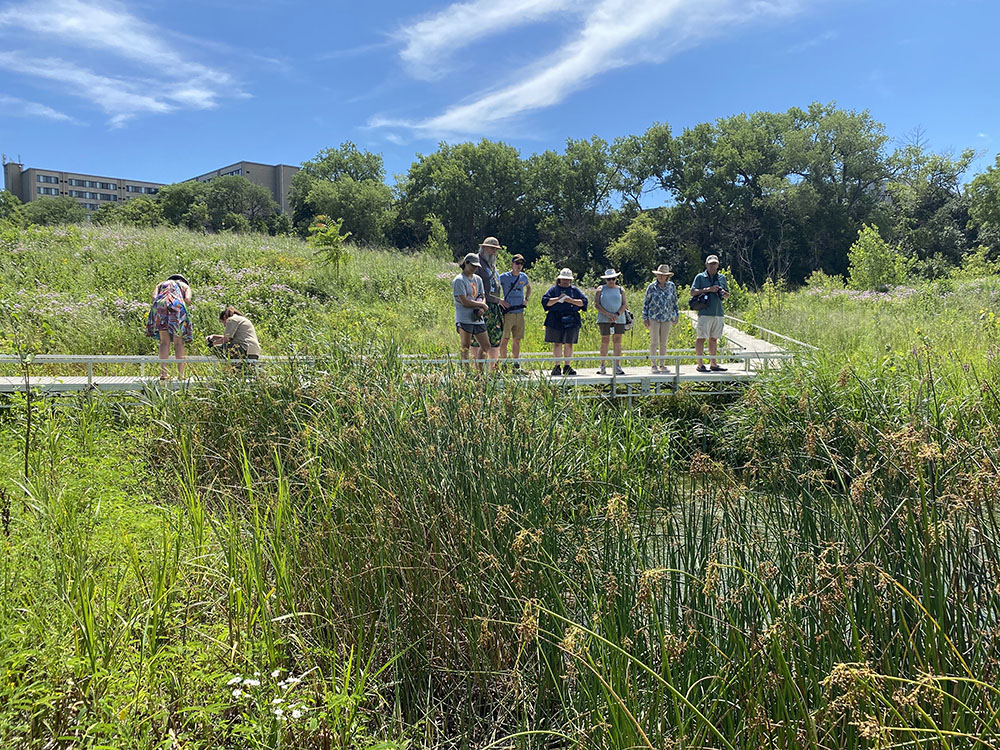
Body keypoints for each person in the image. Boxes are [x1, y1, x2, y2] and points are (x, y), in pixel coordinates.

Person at [146, 274, 193, 380]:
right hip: (177, 306)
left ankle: (163, 374)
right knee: (179, 342)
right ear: (182, 280)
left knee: (164, 342)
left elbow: (154, 298)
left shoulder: (161, 284)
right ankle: (181, 375)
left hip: (160, 306)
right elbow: (188, 299)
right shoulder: (184, 286)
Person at [541, 268, 587, 376]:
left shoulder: (575, 290)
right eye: (563, 279)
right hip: (555, 318)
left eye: (567, 279)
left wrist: (570, 300)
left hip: (571, 318)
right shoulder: (553, 290)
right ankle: (557, 366)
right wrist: (558, 299)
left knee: (569, 343)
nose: (565, 281)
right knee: (557, 343)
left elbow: (583, 302)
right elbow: (545, 302)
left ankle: (567, 366)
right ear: (559, 279)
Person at [690, 254, 730, 372]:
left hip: (718, 312)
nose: (713, 266)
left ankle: (713, 363)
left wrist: (723, 293)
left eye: (715, 264)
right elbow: (692, 292)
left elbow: (728, 295)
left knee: (714, 338)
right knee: (701, 337)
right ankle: (700, 364)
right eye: (711, 264)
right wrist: (708, 289)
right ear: (706, 265)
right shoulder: (700, 277)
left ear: (718, 265)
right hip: (705, 312)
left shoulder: (721, 278)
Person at [453, 252, 491, 369]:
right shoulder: (459, 280)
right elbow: (464, 301)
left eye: (476, 266)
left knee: (486, 345)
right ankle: (466, 372)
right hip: (464, 317)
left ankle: (479, 370)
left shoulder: (478, 279)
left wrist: (481, 307)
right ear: (466, 263)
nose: (474, 268)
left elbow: (482, 295)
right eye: (473, 265)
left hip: (477, 317)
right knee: (465, 345)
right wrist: (481, 305)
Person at [474, 236, 504, 368]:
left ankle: (492, 372)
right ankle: (476, 371)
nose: (494, 252)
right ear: (484, 247)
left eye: (496, 249)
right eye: (492, 248)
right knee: (477, 340)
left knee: (495, 339)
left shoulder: (491, 264)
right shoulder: (477, 262)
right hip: (481, 306)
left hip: (494, 307)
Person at [643, 264, 679, 373]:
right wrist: (645, 317)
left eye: (663, 275)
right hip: (653, 316)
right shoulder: (651, 286)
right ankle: (653, 364)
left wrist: (676, 315)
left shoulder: (671, 286)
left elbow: (674, 301)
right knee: (654, 341)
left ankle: (662, 364)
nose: (661, 277)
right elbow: (646, 302)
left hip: (667, 317)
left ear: (667, 276)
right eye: (659, 275)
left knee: (664, 341)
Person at [498, 254, 532, 373]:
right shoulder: (504, 277)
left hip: (519, 312)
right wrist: (500, 300)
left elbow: (528, 287)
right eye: (517, 263)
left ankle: (516, 364)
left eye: (521, 264)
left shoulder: (524, 277)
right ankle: (503, 363)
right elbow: (493, 287)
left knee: (517, 339)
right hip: (508, 312)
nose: (519, 266)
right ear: (512, 264)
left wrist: (526, 299)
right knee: (505, 339)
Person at [594, 269, 629, 376]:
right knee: (605, 341)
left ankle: (617, 365)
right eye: (609, 279)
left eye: (613, 279)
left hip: (619, 319)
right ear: (605, 280)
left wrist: (617, 314)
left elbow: (624, 304)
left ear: (616, 279)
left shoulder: (620, 290)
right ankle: (602, 365)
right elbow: (596, 304)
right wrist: (608, 314)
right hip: (604, 319)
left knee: (617, 341)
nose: (611, 281)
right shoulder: (600, 289)